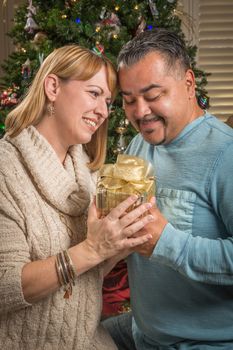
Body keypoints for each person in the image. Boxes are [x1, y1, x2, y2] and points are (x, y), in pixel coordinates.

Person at [0, 45, 155, 350]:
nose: (103, 111)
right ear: (53, 87)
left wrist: (120, 243)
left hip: (86, 340)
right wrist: (94, 249)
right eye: (94, 93)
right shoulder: (6, 170)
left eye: (108, 101)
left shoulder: (87, 172)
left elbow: (88, 274)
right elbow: (5, 287)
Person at [102, 28, 233, 349]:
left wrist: (167, 243)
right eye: (129, 100)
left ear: (189, 83)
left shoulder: (225, 154)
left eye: (153, 95)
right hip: (143, 333)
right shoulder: (138, 144)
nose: (139, 112)